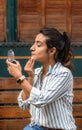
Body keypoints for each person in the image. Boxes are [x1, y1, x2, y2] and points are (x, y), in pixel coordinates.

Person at [6, 27, 76, 130]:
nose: (32, 48)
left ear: (52, 51)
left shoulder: (63, 74)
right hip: (36, 127)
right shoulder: (37, 72)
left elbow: (42, 99)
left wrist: (19, 77)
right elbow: (23, 104)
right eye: (34, 43)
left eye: (38, 45)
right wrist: (30, 77)